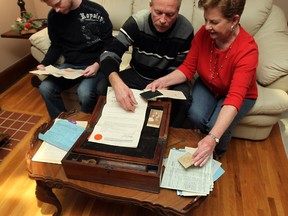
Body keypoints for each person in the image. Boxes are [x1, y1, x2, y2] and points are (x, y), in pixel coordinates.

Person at [146, 0, 259, 166]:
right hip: (208, 85)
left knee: (216, 125)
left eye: (214, 22)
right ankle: (200, 145)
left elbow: (234, 98)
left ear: (234, 20)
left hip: (237, 95)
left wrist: (213, 139)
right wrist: (162, 81)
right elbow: (188, 68)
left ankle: (217, 153)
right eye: (206, 20)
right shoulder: (204, 34)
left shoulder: (248, 50)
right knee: (195, 115)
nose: (206, 27)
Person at [99, 0, 194, 128]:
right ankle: (113, 127)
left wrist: (166, 84)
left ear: (178, 11)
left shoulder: (186, 29)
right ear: (150, 6)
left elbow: (180, 67)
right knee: (102, 86)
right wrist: (117, 84)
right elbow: (109, 53)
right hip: (138, 74)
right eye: (158, 12)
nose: (162, 20)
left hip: (168, 77)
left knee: (183, 99)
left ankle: (166, 133)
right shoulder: (137, 22)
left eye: (170, 14)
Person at [37, 0, 113, 119]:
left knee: (85, 93)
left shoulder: (96, 11)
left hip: (94, 64)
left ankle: (86, 124)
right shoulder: (53, 16)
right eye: (52, 6)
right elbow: (56, 45)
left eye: (57, 4)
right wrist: (44, 64)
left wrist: (97, 64)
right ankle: (62, 123)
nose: (56, 9)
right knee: (45, 88)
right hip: (70, 65)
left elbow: (109, 43)